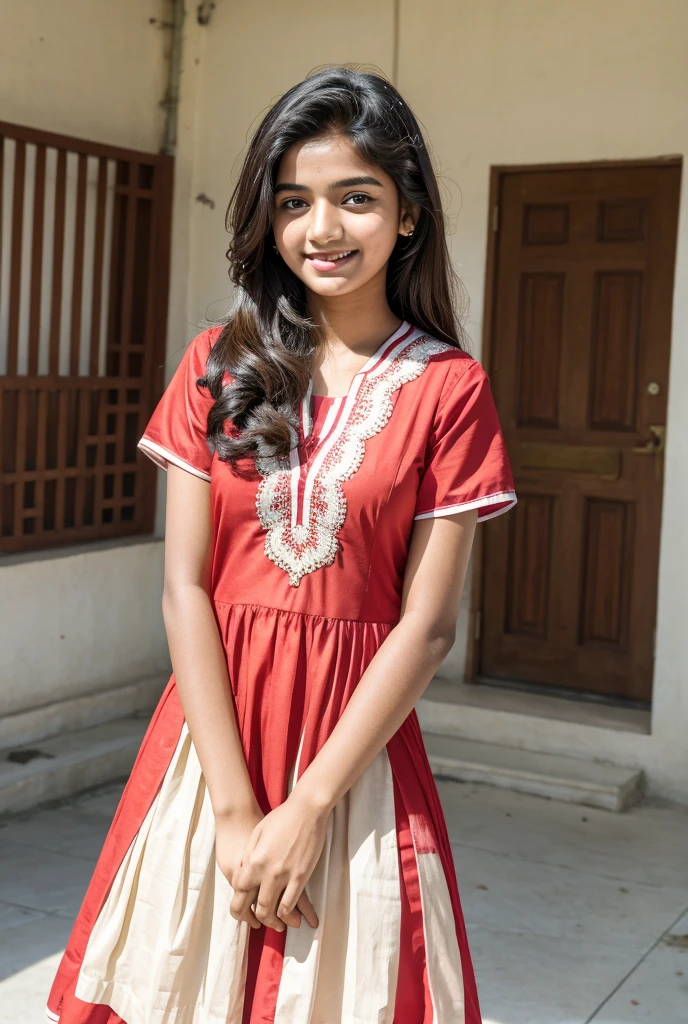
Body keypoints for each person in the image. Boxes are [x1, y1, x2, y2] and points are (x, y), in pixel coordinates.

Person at [46, 65, 516, 1024]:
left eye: (357, 198)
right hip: (208, 748)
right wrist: (231, 809)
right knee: (177, 987)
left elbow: (426, 629)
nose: (323, 229)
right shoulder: (216, 364)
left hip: (354, 757)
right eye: (294, 201)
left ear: (410, 214)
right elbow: (186, 588)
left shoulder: (449, 389)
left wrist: (305, 809)